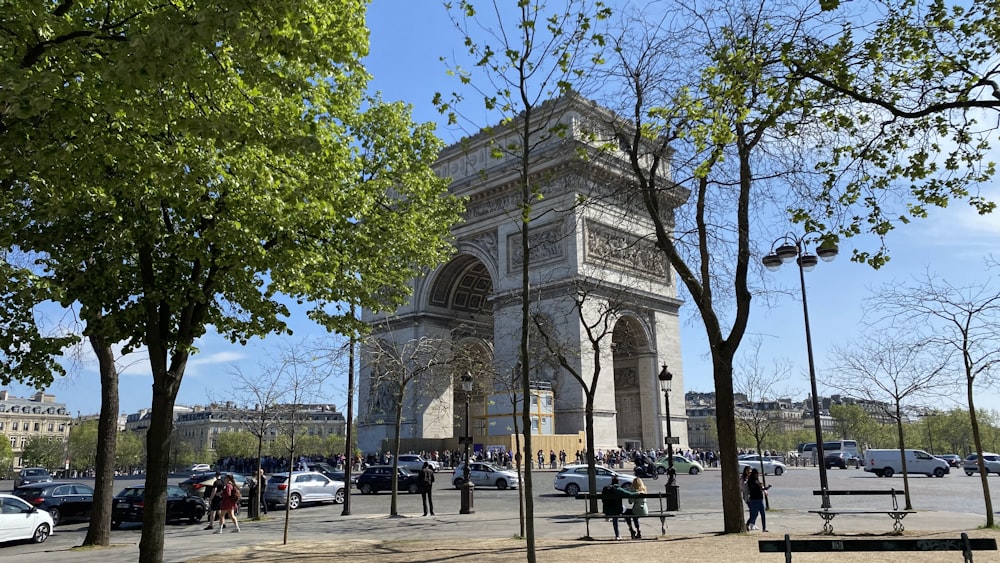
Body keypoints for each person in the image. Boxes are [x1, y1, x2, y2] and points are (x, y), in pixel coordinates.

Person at [601, 476, 638, 540]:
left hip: (607, 510)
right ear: (618, 482)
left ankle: (617, 535)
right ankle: (631, 529)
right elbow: (629, 494)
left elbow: (602, 499)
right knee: (628, 512)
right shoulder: (618, 489)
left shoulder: (606, 489)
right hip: (617, 509)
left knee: (615, 517)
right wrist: (638, 493)